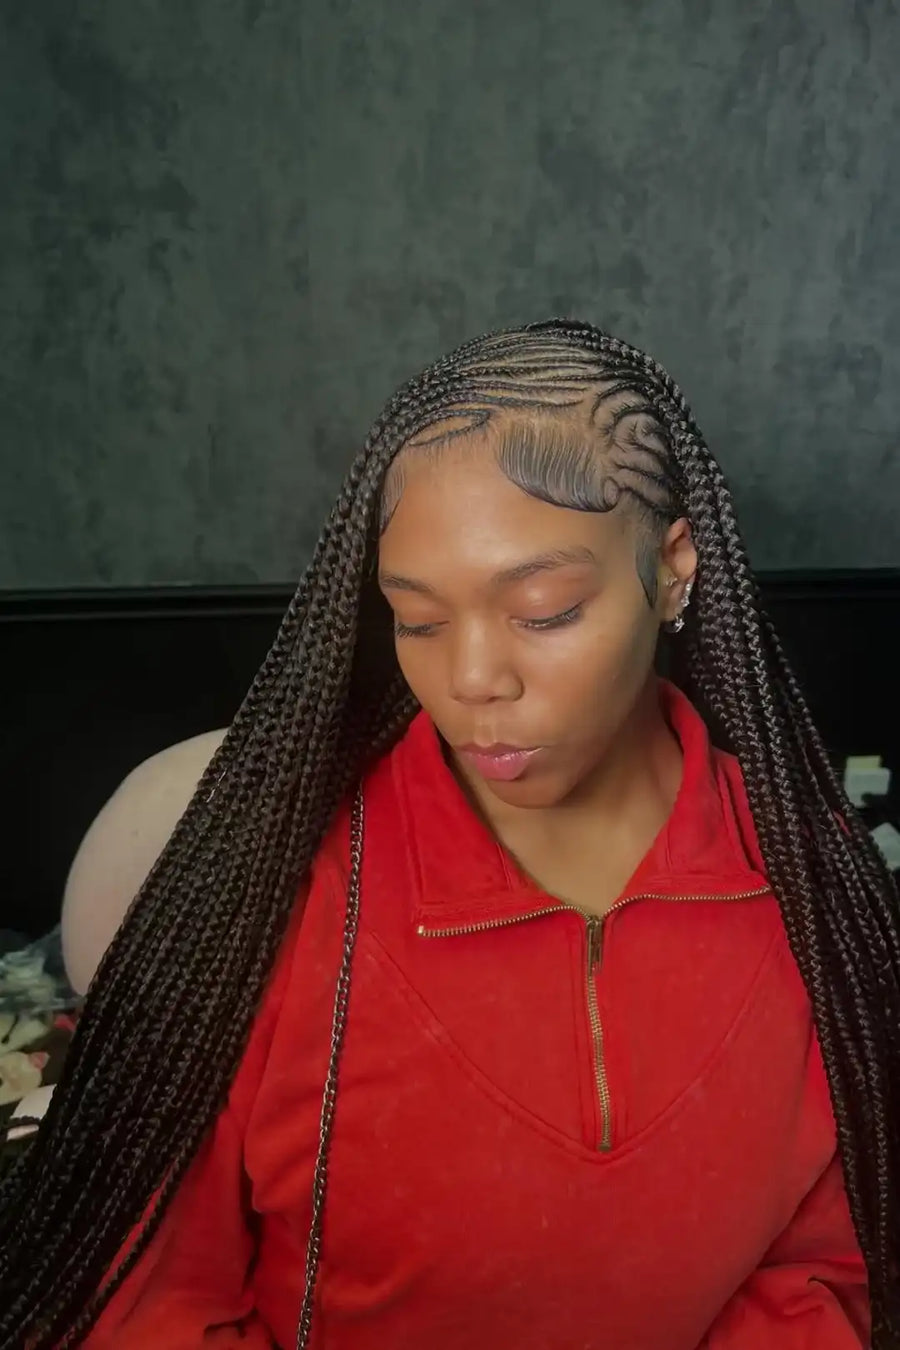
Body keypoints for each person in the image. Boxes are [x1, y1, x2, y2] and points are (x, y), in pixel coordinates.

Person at [0, 319, 895, 1349]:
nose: (472, 680)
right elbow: (145, 1297)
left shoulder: (808, 884)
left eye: (546, 611)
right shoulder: (270, 897)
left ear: (674, 569)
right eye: (417, 622)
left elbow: (824, 1265)